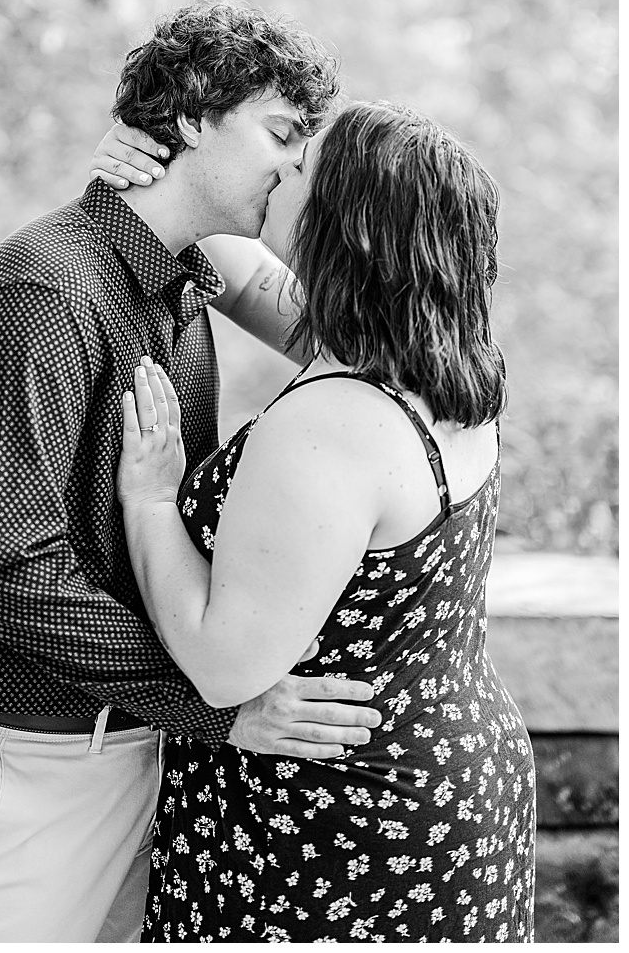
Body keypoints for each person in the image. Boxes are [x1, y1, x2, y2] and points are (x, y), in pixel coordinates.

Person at [0, 1, 384, 943]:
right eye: (281, 134)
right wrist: (219, 701)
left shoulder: (185, 278)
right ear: (192, 117)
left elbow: (358, 327)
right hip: (26, 769)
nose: (292, 164)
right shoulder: (38, 297)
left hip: (139, 752)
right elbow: (10, 575)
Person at [114, 101, 535, 941]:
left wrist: (152, 503)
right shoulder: (439, 365)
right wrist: (152, 175)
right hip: (454, 780)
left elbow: (226, 665)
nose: (286, 164)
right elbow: (233, 267)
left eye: (305, 165)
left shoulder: (331, 425)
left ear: (353, 229)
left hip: (335, 822)